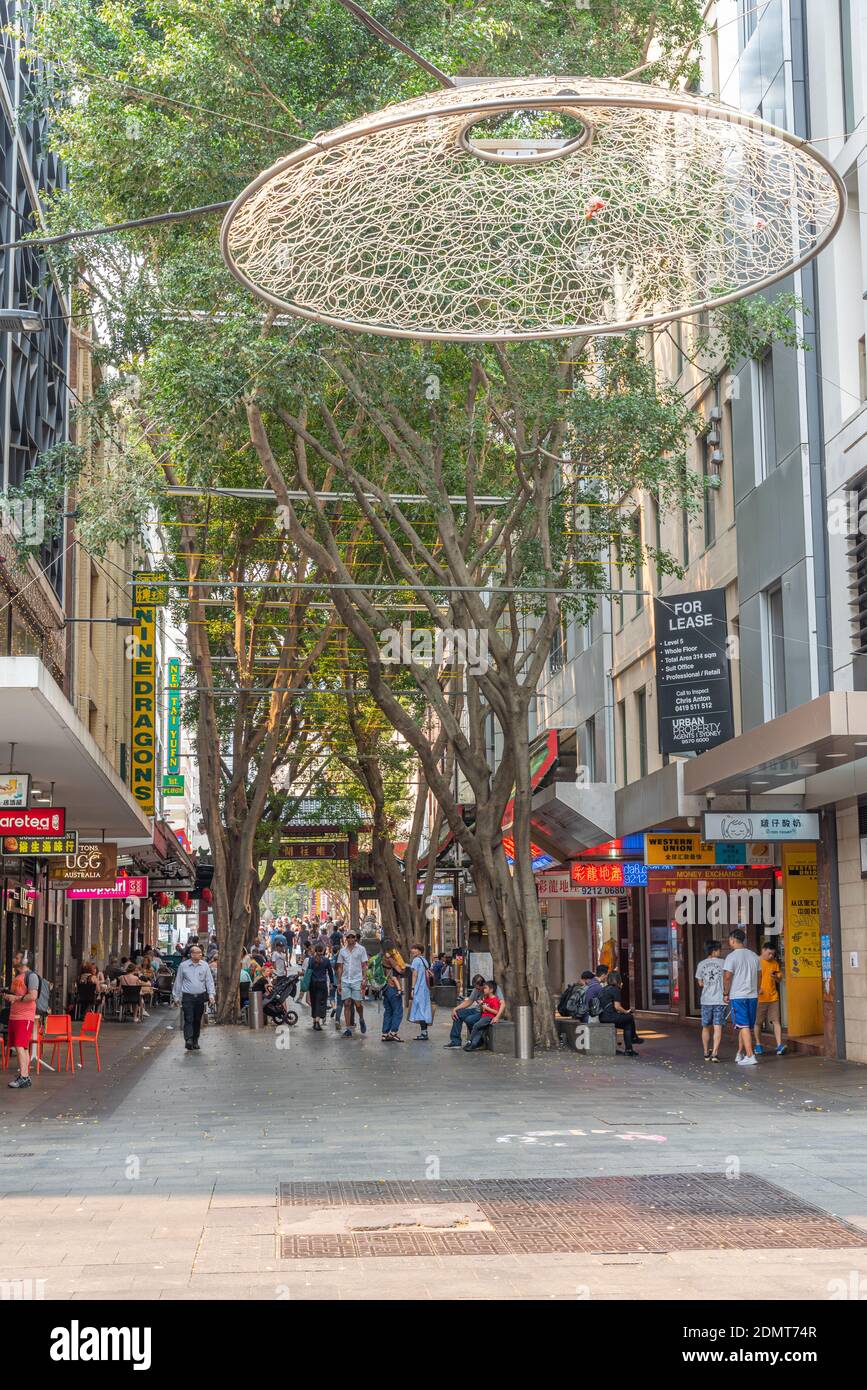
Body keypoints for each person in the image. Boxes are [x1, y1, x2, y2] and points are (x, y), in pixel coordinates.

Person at [723, 927, 761, 1067]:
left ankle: (750, 1056)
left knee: (743, 1025)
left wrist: (725, 993)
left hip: (738, 995)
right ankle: (740, 1053)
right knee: (744, 1026)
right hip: (752, 995)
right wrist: (756, 989)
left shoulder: (731, 957)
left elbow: (727, 977)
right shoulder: (754, 955)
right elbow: (760, 975)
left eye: (729, 940)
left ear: (733, 940)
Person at [172, 945, 216, 1051]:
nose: (201, 954)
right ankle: (188, 1039)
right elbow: (178, 981)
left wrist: (211, 995)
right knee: (189, 1018)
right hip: (188, 996)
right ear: (192, 954)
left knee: (197, 1019)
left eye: (201, 953)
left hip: (200, 996)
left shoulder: (205, 965)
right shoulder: (183, 966)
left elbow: (209, 981)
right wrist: (176, 997)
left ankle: (195, 1040)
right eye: (198, 952)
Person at [4, 960, 38, 1088]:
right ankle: (25, 1076)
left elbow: (33, 996)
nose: (14, 960)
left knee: (19, 1045)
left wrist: (15, 998)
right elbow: (14, 995)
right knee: (22, 1047)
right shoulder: (17, 977)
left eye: (17, 958)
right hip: (15, 1015)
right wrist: (8, 996)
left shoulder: (31, 976)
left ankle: (24, 1077)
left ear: (25, 961)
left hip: (25, 1015)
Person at [597, 969, 642, 1056]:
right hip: (610, 1017)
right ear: (618, 979)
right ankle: (633, 1039)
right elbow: (617, 1007)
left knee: (627, 1025)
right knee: (629, 1017)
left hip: (602, 1017)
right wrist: (626, 1012)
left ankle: (629, 1049)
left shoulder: (604, 989)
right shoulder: (615, 989)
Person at [695, 940, 726, 1062]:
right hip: (719, 1000)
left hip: (706, 1000)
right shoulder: (723, 962)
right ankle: (714, 1053)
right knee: (718, 1027)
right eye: (719, 950)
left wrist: (708, 984)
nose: (720, 952)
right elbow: (727, 979)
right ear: (714, 951)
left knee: (706, 1027)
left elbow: (700, 983)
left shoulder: (701, 964)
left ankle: (705, 1053)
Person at [755, 941, 785, 1056]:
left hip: (773, 997)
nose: (771, 956)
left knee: (776, 1021)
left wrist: (775, 977)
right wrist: (757, 989)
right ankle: (758, 1045)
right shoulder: (756, 961)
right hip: (760, 998)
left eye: (773, 954)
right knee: (758, 1022)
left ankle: (779, 1045)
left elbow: (779, 979)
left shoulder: (775, 963)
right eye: (769, 953)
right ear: (763, 950)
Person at [336, 931, 369, 1037]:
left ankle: (361, 1018)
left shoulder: (361, 949)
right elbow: (340, 966)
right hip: (345, 980)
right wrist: (339, 982)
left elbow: (364, 965)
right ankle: (348, 1029)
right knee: (346, 1003)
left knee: (357, 1004)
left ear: (355, 938)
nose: (350, 939)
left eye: (352, 937)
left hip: (357, 980)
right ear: (346, 938)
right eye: (348, 937)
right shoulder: (342, 951)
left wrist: (365, 978)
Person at [444, 974, 487, 1048]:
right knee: (458, 1013)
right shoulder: (476, 990)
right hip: (477, 1010)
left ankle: (477, 1041)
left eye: (478, 988)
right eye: (475, 988)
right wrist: (455, 1009)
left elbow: (500, 1003)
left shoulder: (490, 988)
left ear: (483, 984)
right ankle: (455, 1041)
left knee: (469, 1019)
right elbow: (469, 1002)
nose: (477, 990)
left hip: (485, 1012)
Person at [464, 981, 505, 1051]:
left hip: (489, 1017)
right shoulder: (486, 999)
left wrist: (487, 1008)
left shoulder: (494, 999)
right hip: (484, 1016)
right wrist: (482, 1005)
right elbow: (483, 1010)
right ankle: (473, 1045)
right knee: (480, 1031)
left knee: (476, 1026)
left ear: (491, 990)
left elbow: (496, 1011)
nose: (484, 990)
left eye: (485, 988)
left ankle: (470, 1041)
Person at [408, 943, 433, 1041]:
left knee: (421, 1010)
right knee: (424, 1009)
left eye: (414, 949)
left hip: (419, 988)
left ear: (419, 951)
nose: (412, 950)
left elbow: (415, 975)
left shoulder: (416, 960)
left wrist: (413, 989)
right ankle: (424, 1032)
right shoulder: (424, 960)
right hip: (425, 988)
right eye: (412, 948)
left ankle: (424, 1033)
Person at [307, 945, 334, 1031]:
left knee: (314, 1002)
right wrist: (331, 983)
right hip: (322, 984)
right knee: (320, 1002)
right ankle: (317, 1022)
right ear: (323, 951)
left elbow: (308, 971)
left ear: (315, 950)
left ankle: (314, 1021)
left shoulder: (311, 960)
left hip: (312, 984)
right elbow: (330, 972)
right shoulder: (326, 960)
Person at [380, 949, 405, 1041]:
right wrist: (399, 989)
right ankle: (393, 1032)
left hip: (385, 988)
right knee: (398, 1011)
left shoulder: (382, 960)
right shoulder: (389, 959)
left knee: (388, 1011)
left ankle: (385, 1033)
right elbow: (400, 971)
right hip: (393, 987)